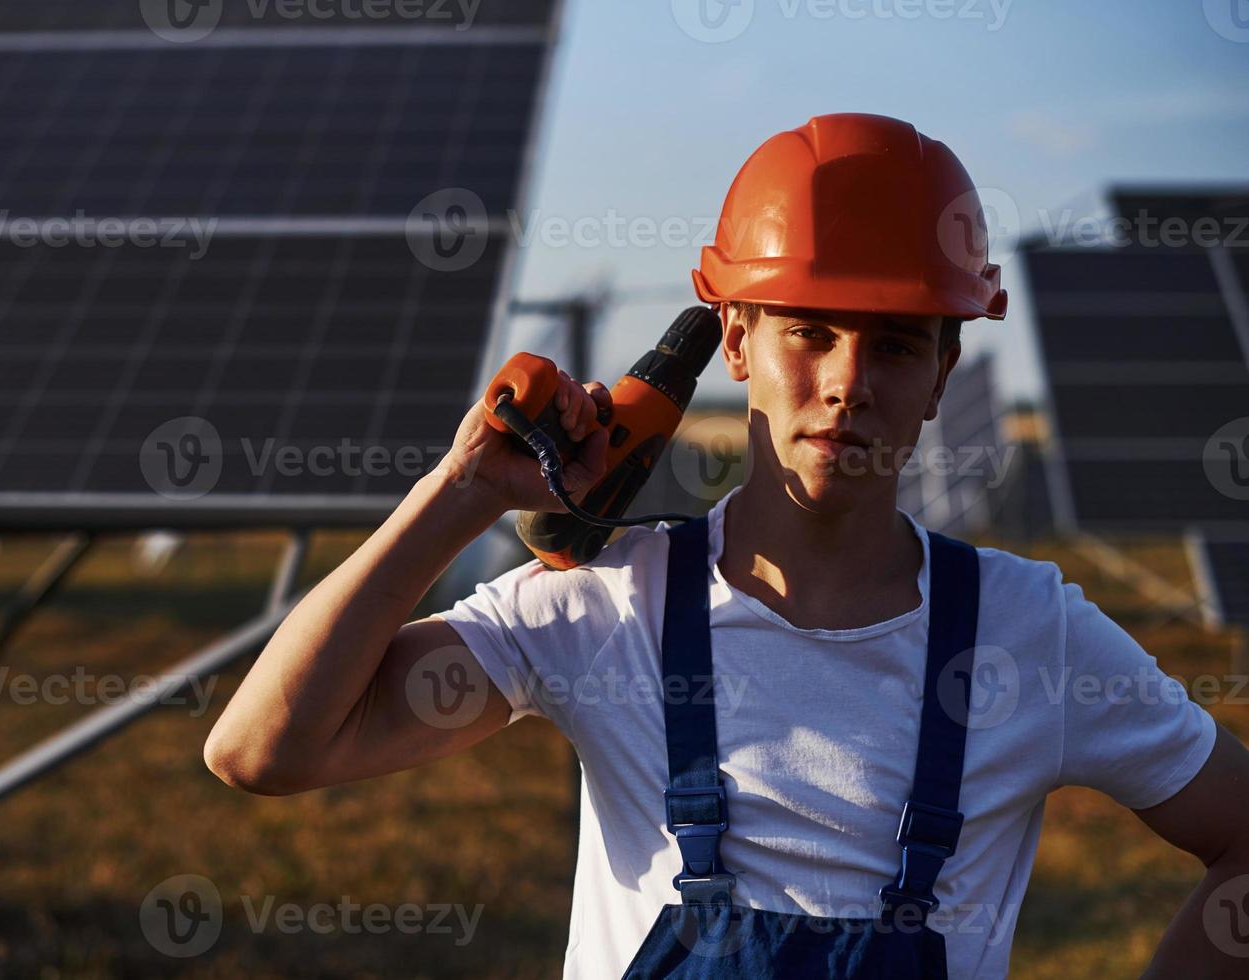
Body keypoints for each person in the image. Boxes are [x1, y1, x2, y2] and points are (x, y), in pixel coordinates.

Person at [203, 114, 1249, 978]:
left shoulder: (1031, 630)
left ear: (942, 372)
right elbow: (263, 749)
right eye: (809, 329)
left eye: (894, 342)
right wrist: (463, 490)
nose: (848, 380)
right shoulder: (605, 603)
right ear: (735, 338)